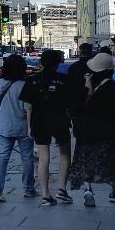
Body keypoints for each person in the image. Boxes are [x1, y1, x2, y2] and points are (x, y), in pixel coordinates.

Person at [69, 52, 115, 206]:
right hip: (109, 132)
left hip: (87, 131)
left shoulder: (87, 85)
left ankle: (88, 189)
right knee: (113, 161)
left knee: (86, 160)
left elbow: (76, 108)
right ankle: (114, 192)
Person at [18, 49, 72, 205]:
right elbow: (70, 103)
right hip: (59, 120)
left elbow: (28, 106)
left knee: (43, 157)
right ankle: (62, 189)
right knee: (65, 153)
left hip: (39, 120)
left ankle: (45, 194)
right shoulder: (64, 80)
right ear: (57, 63)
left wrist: (29, 127)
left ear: (41, 62)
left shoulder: (32, 80)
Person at [0, 54, 36, 200]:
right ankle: (28, 188)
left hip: (4, 125)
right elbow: (28, 108)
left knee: (2, 157)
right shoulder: (26, 85)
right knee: (27, 157)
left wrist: (1, 117)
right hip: (23, 126)